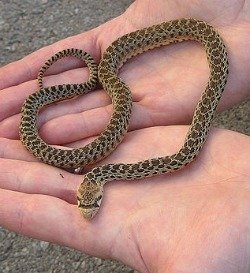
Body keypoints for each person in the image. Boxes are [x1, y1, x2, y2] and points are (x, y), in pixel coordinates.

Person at [0, 0, 249, 272]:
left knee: (184, 151)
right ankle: (95, 77)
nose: (89, 208)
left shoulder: (109, 170)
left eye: (88, 201)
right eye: (89, 202)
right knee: (118, 94)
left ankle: (96, 77)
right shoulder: (100, 174)